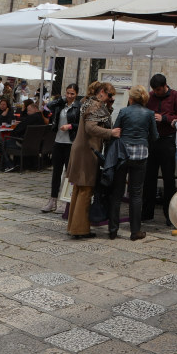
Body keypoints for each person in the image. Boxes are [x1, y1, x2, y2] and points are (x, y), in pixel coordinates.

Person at [65, 83, 119, 239]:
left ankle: (73, 226)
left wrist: (108, 105)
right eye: (110, 95)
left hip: (81, 148)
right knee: (86, 190)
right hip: (87, 151)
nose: (111, 98)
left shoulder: (88, 102)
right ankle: (80, 229)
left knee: (79, 189)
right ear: (102, 92)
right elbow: (91, 127)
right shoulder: (95, 105)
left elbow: (102, 119)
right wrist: (111, 133)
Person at [108, 85, 158, 241]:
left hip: (123, 153)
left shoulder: (124, 112)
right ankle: (135, 231)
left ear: (131, 98)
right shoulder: (149, 113)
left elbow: (116, 131)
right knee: (136, 194)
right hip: (141, 154)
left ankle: (113, 229)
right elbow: (155, 135)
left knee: (117, 192)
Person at [142, 74, 177, 226]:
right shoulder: (150, 96)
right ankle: (146, 213)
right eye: (154, 90)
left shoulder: (175, 96)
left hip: (168, 140)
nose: (156, 92)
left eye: (158, 90)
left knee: (169, 178)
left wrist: (164, 118)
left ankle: (169, 215)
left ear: (165, 86)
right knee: (149, 177)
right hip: (152, 141)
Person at [42, 84, 80, 213]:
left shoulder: (78, 107)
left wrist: (70, 126)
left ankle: (65, 201)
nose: (69, 96)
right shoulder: (60, 105)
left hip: (70, 142)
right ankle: (52, 200)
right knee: (56, 172)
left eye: (72, 94)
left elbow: (80, 124)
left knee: (68, 173)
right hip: (58, 141)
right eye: (68, 93)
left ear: (76, 94)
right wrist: (62, 100)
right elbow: (48, 106)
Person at [2, 103, 48, 171]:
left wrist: (14, 133)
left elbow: (17, 130)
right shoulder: (41, 118)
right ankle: (15, 164)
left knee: (3, 143)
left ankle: (8, 165)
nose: (27, 112)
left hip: (24, 143)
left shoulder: (32, 117)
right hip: (36, 145)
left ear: (35, 109)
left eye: (29, 110)